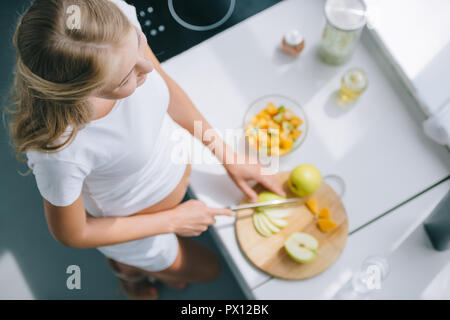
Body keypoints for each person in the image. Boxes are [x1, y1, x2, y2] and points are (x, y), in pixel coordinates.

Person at [6, 0, 285, 299]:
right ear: (84, 91)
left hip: (170, 182)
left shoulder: (111, 23)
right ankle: (128, 269)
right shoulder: (60, 148)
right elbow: (73, 233)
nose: (148, 67)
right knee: (210, 270)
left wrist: (227, 155)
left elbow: (168, 90)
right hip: (128, 226)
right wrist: (171, 221)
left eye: (139, 43)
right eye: (128, 77)